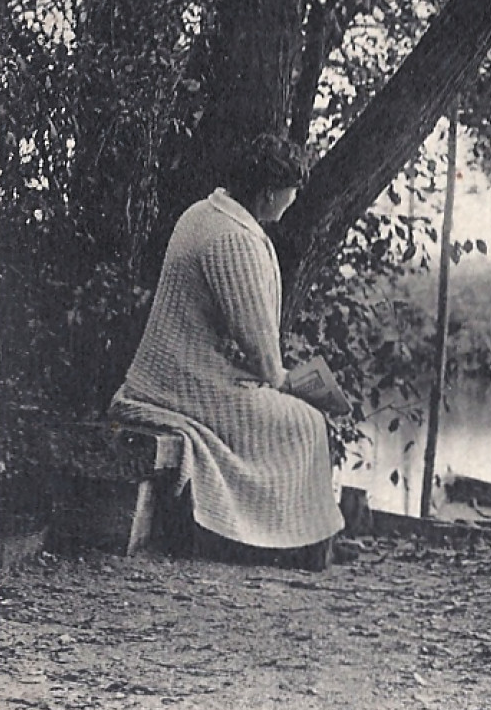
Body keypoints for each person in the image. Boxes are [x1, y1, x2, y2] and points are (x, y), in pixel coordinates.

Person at [109, 134, 342, 571]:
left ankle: (287, 534)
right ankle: (282, 541)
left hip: (174, 375)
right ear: (270, 192)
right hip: (188, 387)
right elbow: (265, 360)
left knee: (296, 415)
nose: (293, 201)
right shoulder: (234, 239)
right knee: (308, 423)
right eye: (292, 191)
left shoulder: (203, 213)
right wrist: (291, 382)